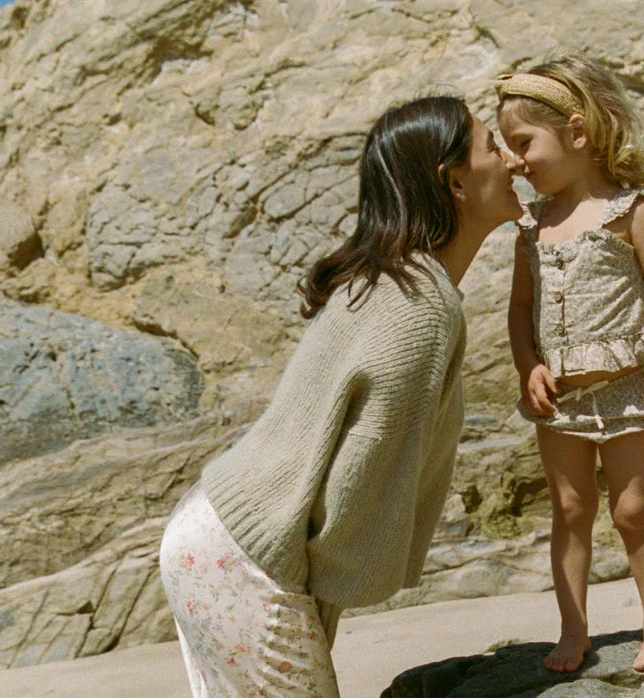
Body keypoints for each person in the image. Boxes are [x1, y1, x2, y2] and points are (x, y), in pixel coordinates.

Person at [159, 95, 522, 697]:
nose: (511, 160)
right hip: (246, 556)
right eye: (492, 146)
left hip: (224, 537)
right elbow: (364, 472)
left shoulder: (400, 280)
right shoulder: (421, 308)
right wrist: (339, 585)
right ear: (454, 181)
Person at [496, 56, 644, 674]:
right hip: (562, 402)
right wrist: (528, 367)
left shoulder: (630, 213)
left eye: (524, 143)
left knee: (633, 511)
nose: (514, 161)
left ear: (577, 134)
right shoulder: (533, 227)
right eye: (505, 147)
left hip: (629, 389)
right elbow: (521, 307)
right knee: (571, 513)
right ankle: (573, 629)